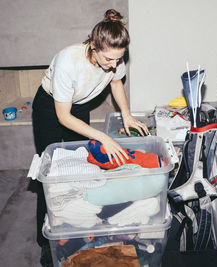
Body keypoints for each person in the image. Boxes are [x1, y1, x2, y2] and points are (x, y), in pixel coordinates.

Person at [31, 9, 148, 266]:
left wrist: (126, 115)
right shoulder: (68, 61)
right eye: (108, 59)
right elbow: (63, 116)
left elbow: (116, 82)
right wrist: (103, 137)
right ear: (93, 46)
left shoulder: (114, 55)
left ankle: (77, 225)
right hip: (51, 108)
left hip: (79, 105)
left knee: (82, 165)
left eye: (119, 59)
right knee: (48, 171)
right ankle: (45, 241)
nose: (114, 65)